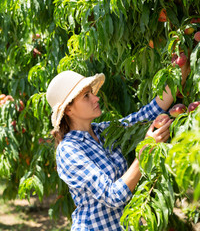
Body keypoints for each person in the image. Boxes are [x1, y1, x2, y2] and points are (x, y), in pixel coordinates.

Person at [46, 68, 189, 230]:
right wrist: (145, 153)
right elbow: (112, 196)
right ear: (68, 110)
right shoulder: (69, 150)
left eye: (91, 92)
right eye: (86, 96)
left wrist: (178, 74)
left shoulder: (105, 132)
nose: (96, 97)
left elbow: (146, 115)